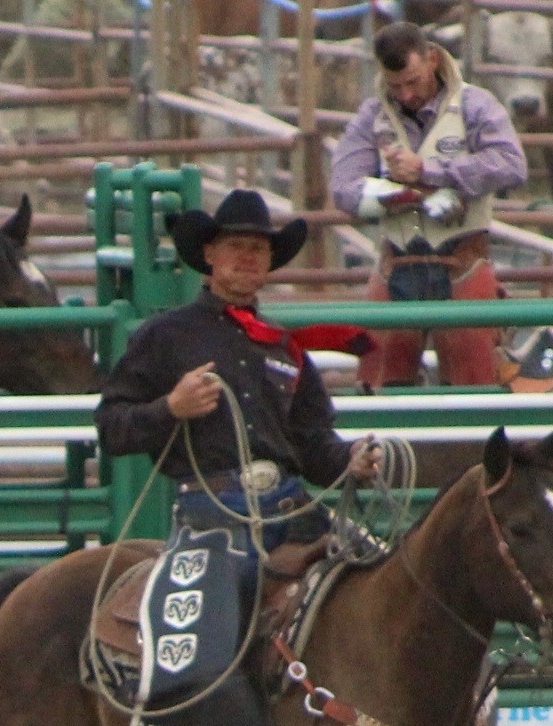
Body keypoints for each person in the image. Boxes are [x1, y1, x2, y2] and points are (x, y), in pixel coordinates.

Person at [95, 191, 379, 563]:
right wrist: (171, 408)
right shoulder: (165, 336)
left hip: (290, 510)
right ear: (210, 255)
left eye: (258, 248)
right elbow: (111, 427)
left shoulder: (283, 346)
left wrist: (350, 459)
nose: (248, 256)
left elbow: (313, 445)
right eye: (236, 246)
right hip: (209, 514)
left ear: (269, 261)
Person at [330, 21, 529, 389]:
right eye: (396, 86)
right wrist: (396, 194)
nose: (405, 95)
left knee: (476, 386)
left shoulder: (474, 104)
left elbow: (511, 165)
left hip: (462, 261)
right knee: (377, 385)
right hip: (397, 264)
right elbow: (343, 188)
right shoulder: (372, 116)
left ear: (432, 60)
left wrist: (429, 171)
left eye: (413, 82)